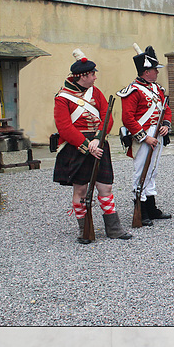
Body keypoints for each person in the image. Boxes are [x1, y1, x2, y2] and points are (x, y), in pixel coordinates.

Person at [53, 49, 132, 243]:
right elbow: (64, 127)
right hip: (77, 147)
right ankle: (84, 229)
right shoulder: (62, 98)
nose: (95, 78)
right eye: (92, 75)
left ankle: (114, 228)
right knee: (80, 190)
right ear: (83, 76)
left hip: (98, 143)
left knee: (105, 187)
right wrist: (87, 145)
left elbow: (106, 116)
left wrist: (99, 138)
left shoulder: (94, 92)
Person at [117, 44, 172, 226]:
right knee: (141, 171)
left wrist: (165, 124)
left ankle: (151, 207)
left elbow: (166, 110)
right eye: (154, 70)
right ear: (146, 71)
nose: (157, 73)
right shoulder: (133, 90)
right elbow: (128, 118)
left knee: (152, 170)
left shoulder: (158, 89)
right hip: (142, 136)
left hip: (157, 133)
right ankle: (140, 210)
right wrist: (144, 137)